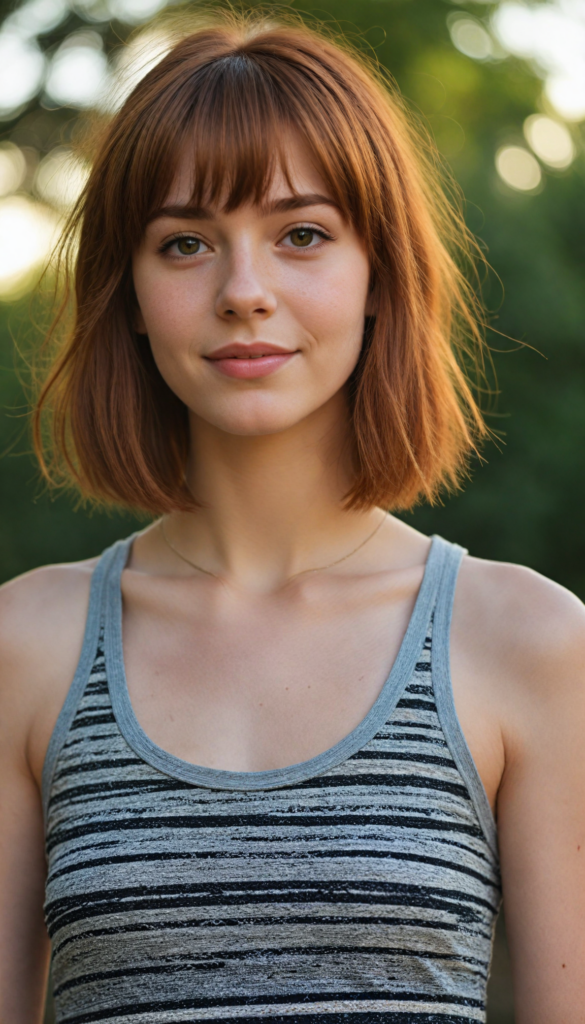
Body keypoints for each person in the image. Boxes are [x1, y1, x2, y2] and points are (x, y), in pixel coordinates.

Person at [1, 12, 584, 1024]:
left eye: (301, 234)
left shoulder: (532, 642)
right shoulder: (24, 648)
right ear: (129, 292)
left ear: (377, 275)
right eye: (185, 242)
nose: (244, 292)